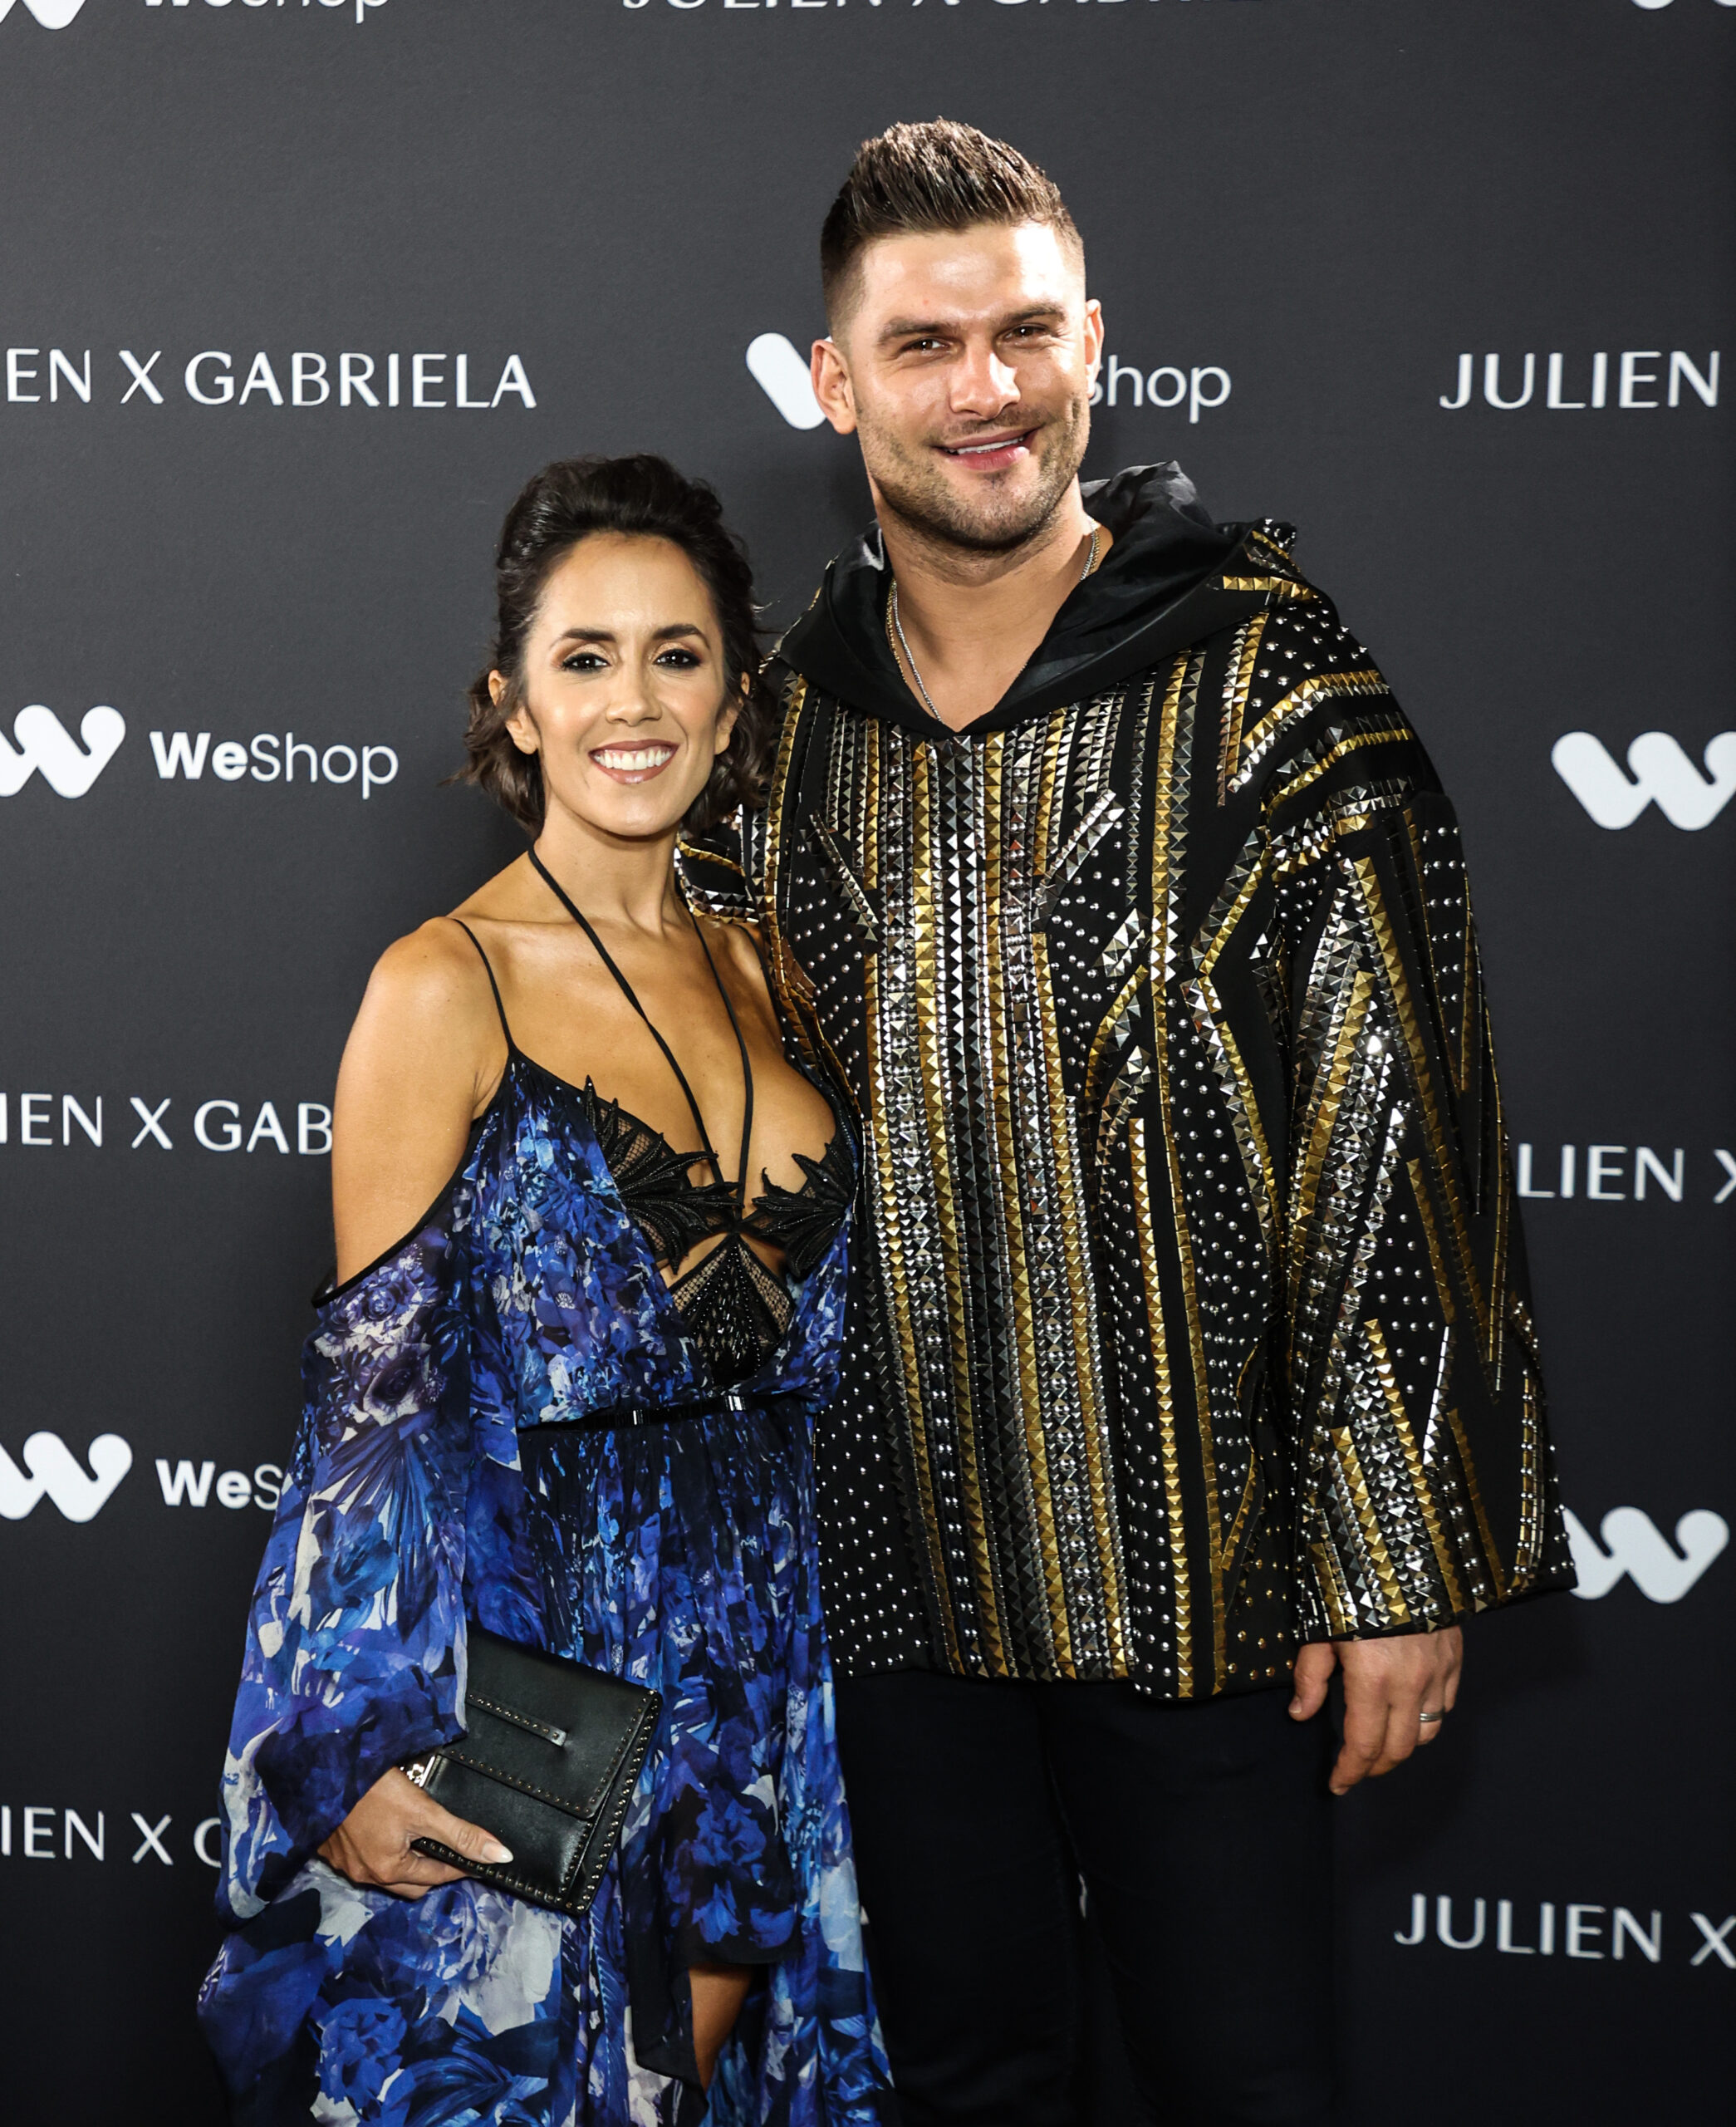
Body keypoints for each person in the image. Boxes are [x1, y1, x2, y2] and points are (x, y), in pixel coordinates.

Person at [680, 122, 1575, 2125]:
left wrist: (1398, 1557)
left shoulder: (1270, 676)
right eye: (922, 345)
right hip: (887, 1565)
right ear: (832, 382)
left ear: (1092, 343)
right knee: (961, 2075)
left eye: (1018, 333)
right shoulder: (787, 724)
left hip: (1208, 1570)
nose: (980, 390)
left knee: (1244, 2078)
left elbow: (1396, 1124)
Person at [196, 455, 891, 2127]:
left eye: (677, 653)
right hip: (526, 1695)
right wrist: (341, 1746)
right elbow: (370, 1422)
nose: (631, 701)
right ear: (513, 705)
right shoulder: (443, 984)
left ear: (736, 697)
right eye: (583, 658)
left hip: (760, 1679)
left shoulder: (778, 964)